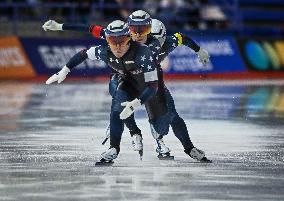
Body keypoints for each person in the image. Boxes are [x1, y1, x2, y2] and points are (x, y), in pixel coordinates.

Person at [42, 10, 211, 162]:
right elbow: (90, 30)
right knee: (119, 104)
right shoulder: (120, 37)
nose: (137, 35)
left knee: (169, 117)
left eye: (143, 30)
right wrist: (60, 26)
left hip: (150, 80)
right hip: (125, 77)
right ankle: (129, 133)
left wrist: (199, 50)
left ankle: (169, 140)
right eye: (134, 30)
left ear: (156, 34)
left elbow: (183, 39)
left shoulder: (165, 42)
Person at [46, 20, 161, 164]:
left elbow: (153, 86)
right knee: (117, 108)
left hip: (144, 85)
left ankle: (140, 133)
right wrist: (64, 70)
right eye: (113, 41)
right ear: (107, 39)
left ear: (129, 38)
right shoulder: (104, 50)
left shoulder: (143, 53)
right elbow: (83, 53)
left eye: (122, 40)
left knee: (135, 110)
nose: (118, 46)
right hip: (124, 80)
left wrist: (136, 103)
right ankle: (117, 145)